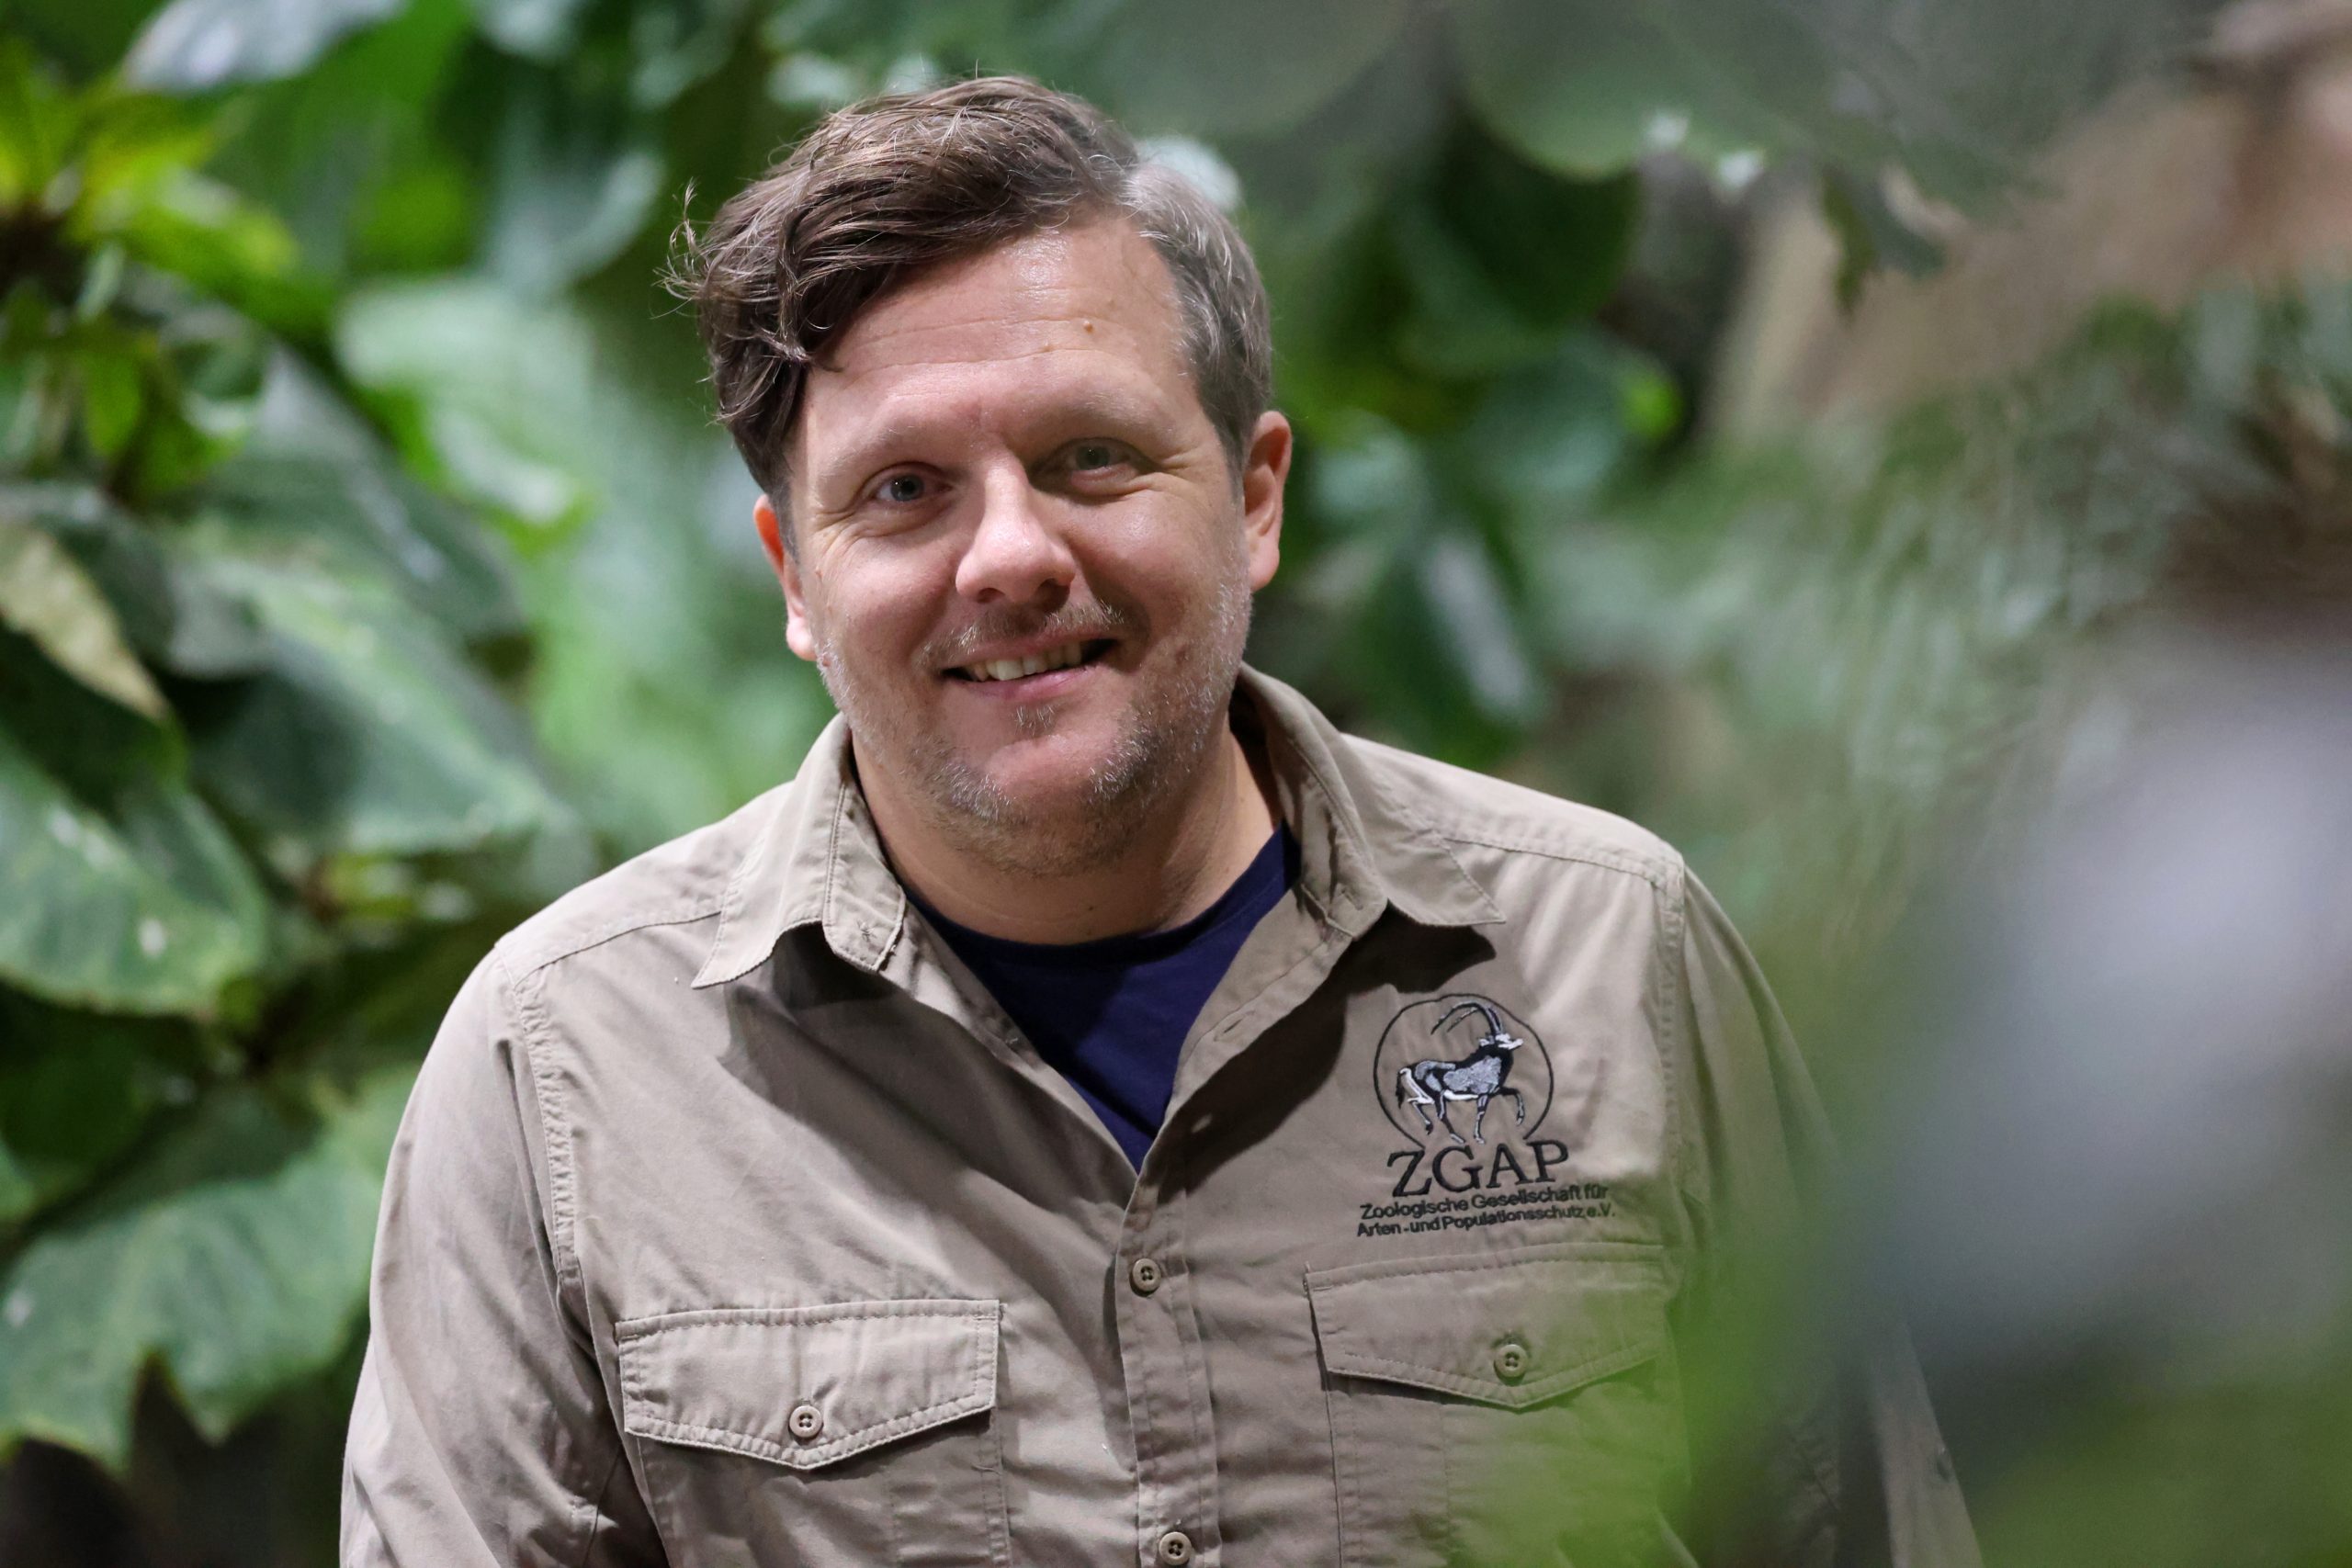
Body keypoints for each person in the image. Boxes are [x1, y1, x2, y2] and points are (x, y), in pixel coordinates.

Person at [340, 75, 1978, 1568]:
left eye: (1091, 456)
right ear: (793, 574)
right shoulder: (565, 1070)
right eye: (904, 489)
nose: (1008, 557)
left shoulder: (1613, 957)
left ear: (1254, 496)